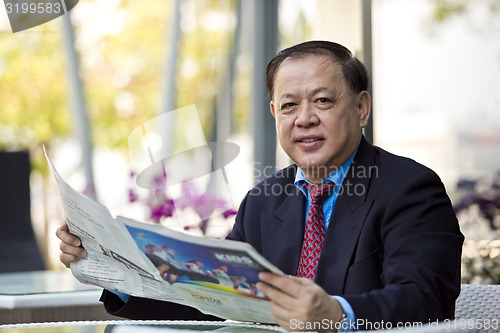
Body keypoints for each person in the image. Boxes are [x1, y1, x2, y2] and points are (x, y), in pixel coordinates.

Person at [57, 40, 463, 331]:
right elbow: (210, 298)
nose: (303, 118)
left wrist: (336, 314)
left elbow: (426, 298)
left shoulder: (410, 188)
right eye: (289, 105)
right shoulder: (264, 201)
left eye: (322, 101)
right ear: (274, 113)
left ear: (361, 108)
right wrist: (111, 269)